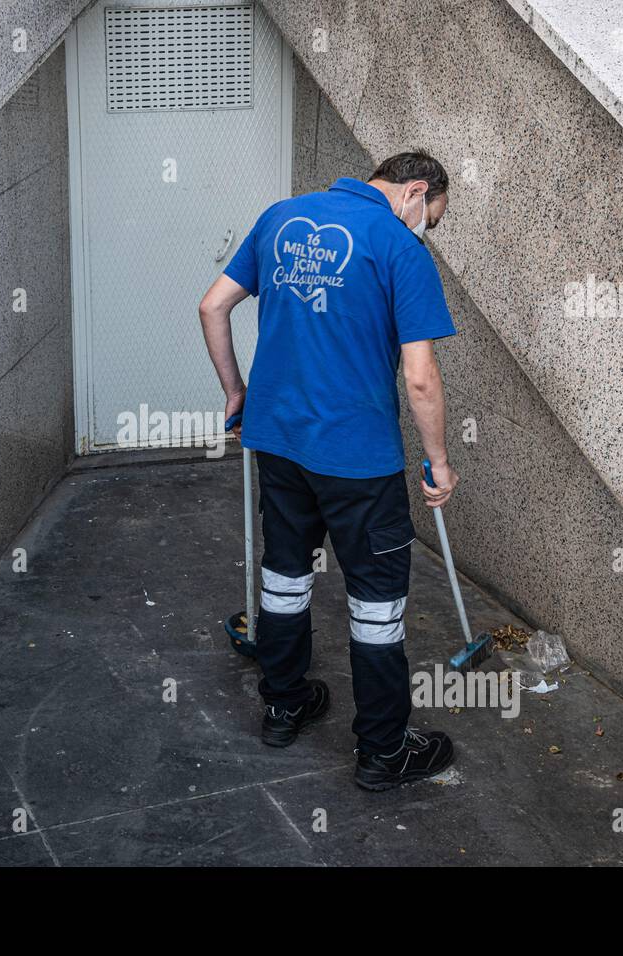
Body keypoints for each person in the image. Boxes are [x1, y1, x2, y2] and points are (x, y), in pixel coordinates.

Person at [197, 151, 459, 791]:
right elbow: (421, 378)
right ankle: (382, 752)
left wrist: (236, 393)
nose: (429, 229)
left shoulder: (281, 218)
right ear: (414, 192)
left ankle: (284, 707)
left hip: (278, 439)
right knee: (376, 606)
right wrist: (441, 462)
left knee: (285, 577)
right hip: (358, 459)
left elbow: (211, 307)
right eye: (434, 217)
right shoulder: (401, 248)